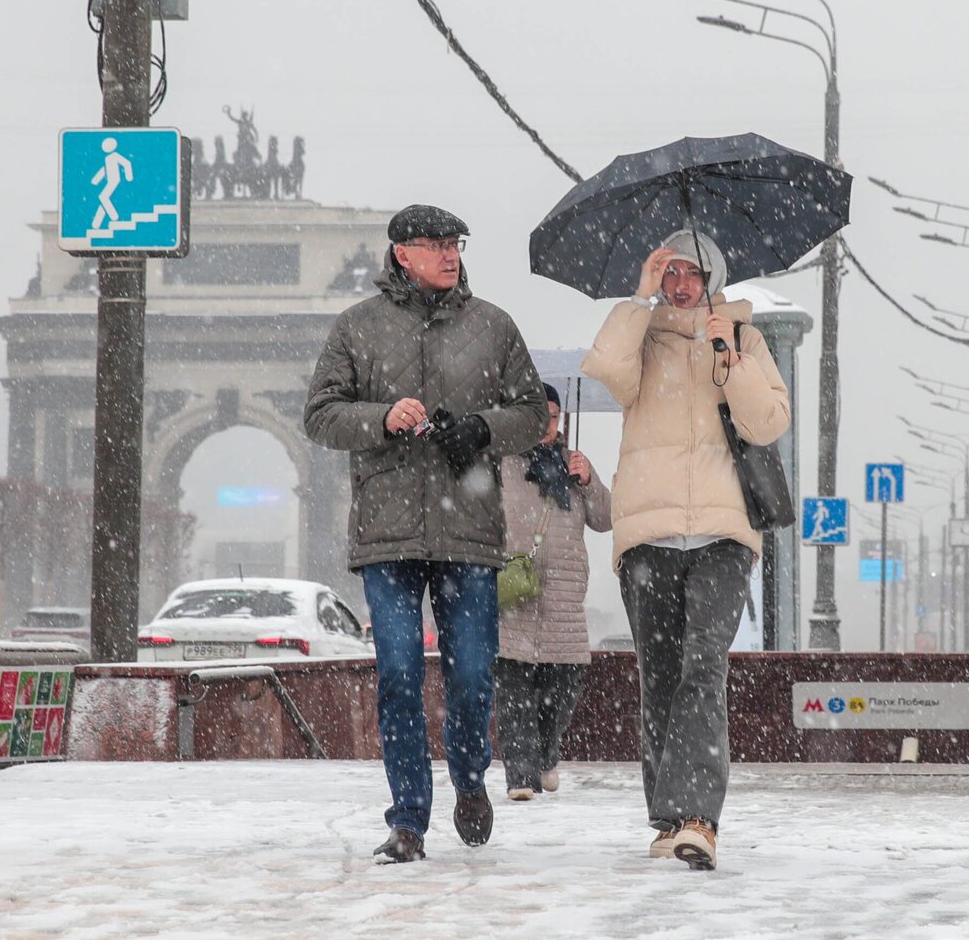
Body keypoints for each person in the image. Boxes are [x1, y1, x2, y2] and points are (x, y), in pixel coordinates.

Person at [303, 204, 548, 864]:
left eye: (455, 243)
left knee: (471, 676)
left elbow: (531, 414)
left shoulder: (493, 327)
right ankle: (408, 819)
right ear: (401, 253)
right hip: (388, 531)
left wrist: (481, 429)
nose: (450, 253)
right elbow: (319, 416)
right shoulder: (357, 326)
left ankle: (469, 778)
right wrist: (382, 418)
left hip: (469, 530)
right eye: (436, 244)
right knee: (400, 677)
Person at [581, 231, 790, 871]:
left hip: (725, 533)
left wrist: (731, 357)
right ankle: (668, 817)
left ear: (712, 278)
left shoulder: (744, 339)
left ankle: (700, 817)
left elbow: (767, 423)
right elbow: (605, 370)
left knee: (704, 665)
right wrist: (637, 300)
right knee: (661, 675)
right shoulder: (641, 337)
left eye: (692, 272)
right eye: (668, 271)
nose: (680, 283)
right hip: (648, 533)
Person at [494, 383, 611, 801]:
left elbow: (605, 518)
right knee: (513, 692)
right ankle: (520, 777)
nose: (547, 423)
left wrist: (588, 480)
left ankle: (545, 756)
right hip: (513, 595)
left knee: (562, 688)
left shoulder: (575, 466)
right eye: (538, 413)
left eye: (554, 415)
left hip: (562, 598)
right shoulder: (502, 464)